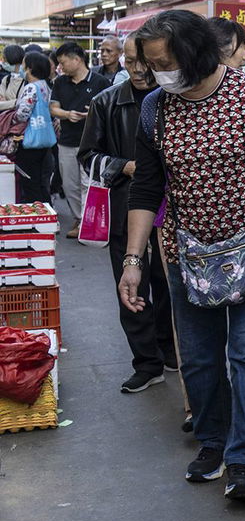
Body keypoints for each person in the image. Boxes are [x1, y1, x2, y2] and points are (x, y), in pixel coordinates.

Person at [120, 10, 245, 502]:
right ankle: (212, 442)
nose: (155, 73)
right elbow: (146, 188)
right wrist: (133, 261)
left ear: (194, 52)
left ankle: (244, 459)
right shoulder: (155, 110)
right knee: (201, 361)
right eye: (150, 65)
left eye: (162, 62)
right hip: (190, 258)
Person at [78, 37, 178, 394]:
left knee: (169, 285)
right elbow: (87, 156)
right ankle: (146, 362)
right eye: (131, 62)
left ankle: (170, 351)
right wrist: (127, 167)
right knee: (131, 284)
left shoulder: (174, 98)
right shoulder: (106, 102)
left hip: (173, 213)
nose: (137, 70)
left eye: (144, 63)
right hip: (125, 210)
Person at [51, 41, 110, 237]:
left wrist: (92, 115)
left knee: (89, 184)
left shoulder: (100, 82)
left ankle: (88, 223)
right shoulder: (59, 82)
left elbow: (108, 110)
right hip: (67, 141)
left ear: (77, 60)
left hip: (93, 143)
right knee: (69, 185)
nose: (61, 67)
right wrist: (67, 114)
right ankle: (80, 219)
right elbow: (53, 108)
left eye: (63, 62)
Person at [10, 52, 55, 202]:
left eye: (24, 65)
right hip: (44, 139)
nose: (22, 69)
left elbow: (23, 114)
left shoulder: (31, 88)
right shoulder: (45, 86)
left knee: (30, 181)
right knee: (42, 181)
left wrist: (11, 118)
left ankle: (36, 217)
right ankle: (47, 214)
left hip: (30, 140)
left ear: (30, 68)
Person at [0, 44, 27, 110]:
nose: (2, 61)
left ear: (12, 58)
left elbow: (24, 104)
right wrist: (15, 102)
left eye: (4, 58)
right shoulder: (6, 79)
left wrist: (6, 103)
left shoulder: (27, 80)